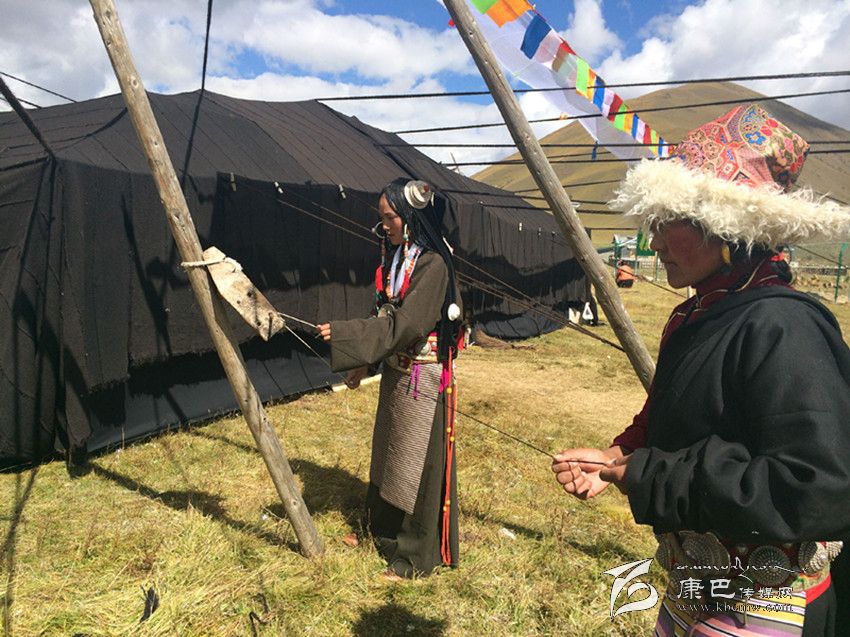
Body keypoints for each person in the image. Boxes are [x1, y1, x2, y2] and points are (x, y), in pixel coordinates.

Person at [552, 105, 850, 635]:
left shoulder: (784, 327)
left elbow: (812, 485)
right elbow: (669, 414)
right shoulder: (696, 313)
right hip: (696, 587)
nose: (655, 243)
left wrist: (645, 475)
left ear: (726, 225)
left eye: (668, 223)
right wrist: (616, 455)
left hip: (765, 605)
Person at [317, 177, 462, 578]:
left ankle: (413, 555)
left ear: (412, 216)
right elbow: (384, 310)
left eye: (390, 217)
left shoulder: (433, 264)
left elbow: (408, 324)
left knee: (414, 462)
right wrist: (364, 364)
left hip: (422, 377)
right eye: (381, 218)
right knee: (387, 455)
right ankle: (381, 532)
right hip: (397, 372)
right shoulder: (400, 258)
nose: (384, 226)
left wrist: (349, 336)